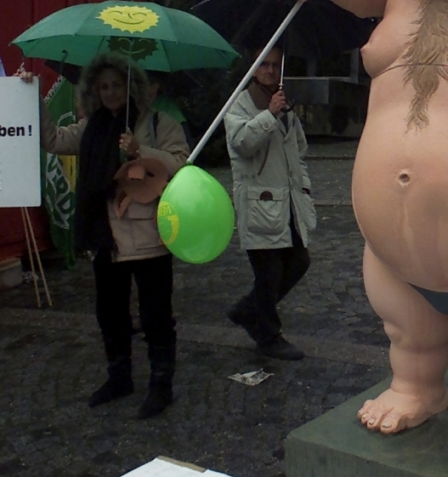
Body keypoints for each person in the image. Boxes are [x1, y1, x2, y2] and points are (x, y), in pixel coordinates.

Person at [26, 53, 188, 417]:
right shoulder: (92, 127)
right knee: (110, 313)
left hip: (150, 236)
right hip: (106, 239)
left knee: (156, 315)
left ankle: (161, 384)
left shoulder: (158, 121)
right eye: (104, 86)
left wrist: (139, 150)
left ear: (132, 87)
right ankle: (119, 377)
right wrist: (32, 97)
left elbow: (181, 162)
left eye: (117, 85)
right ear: (94, 91)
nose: (111, 93)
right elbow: (52, 140)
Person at [224, 44, 315, 360]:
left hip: (287, 202)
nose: (272, 71)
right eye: (265, 64)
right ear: (253, 66)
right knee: (269, 273)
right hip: (259, 203)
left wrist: (301, 183)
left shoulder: (283, 103)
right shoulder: (240, 103)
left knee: (299, 261)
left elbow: (298, 146)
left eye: (276, 65)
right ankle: (268, 335)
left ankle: (249, 310)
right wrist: (269, 114)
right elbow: (242, 143)